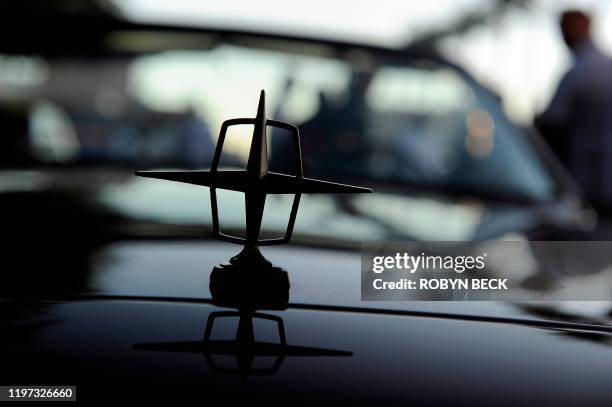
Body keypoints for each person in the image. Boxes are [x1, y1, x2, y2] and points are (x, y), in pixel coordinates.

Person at [535, 10, 612, 209]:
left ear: (585, 26)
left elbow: (551, 124)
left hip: (587, 187)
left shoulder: (579, 73)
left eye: (566, 26)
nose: (562, 33)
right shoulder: (603, 66)